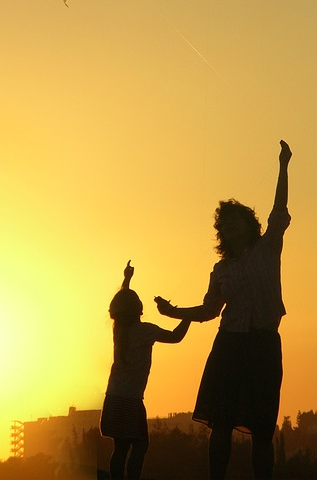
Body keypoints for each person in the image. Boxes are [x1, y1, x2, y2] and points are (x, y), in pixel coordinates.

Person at [155, 139, 292, 480]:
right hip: (228, 346)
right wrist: (174, 313)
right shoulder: (221, 270)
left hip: (262, 344)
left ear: (248, 224)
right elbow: (208, 310)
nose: (229, 225)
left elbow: (279, 209)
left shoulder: (267, 248)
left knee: (262, 427)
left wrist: (283, 165)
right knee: (221, 423)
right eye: (224, 223)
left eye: (235, 220)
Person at [100, 261, 191, 480]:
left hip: (113, 399)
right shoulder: (145, 331)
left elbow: (123, 301)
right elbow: (176, 337)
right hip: (131, 400)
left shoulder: (118, 331)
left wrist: (127, 279)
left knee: (120, 449)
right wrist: (189, 315)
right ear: (139, 309)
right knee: (140, 445)